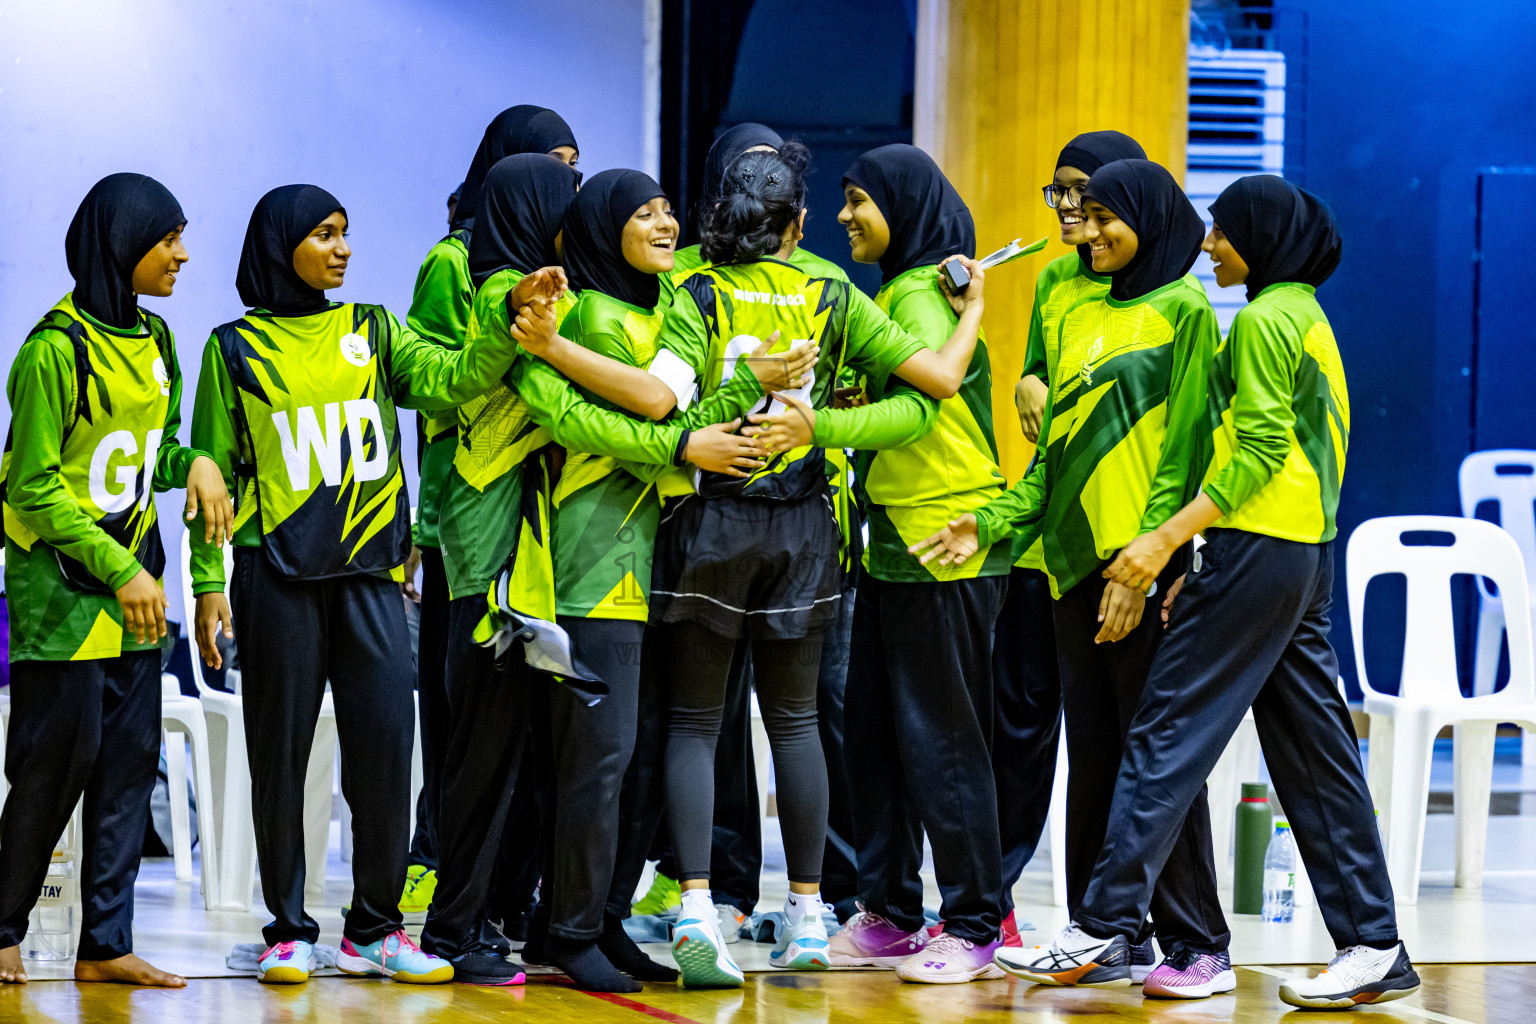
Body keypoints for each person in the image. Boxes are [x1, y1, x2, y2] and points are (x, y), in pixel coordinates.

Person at [560, 143, 985, 988]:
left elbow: (665, 399)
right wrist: (972, 308)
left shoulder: (695, 292)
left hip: (707, 519)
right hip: (804, 529)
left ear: (722, 214)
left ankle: (695, 910)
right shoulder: (832, 293)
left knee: (694, 723)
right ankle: (807, 913)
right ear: (795, 222)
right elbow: (934, 385)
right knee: (794, 723)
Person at [1026, 174, 1420, 1010]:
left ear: (1260, 238)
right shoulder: (1305, 316)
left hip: (1256, 549)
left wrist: (1171, 540)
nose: (1209, 247)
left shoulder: (1262, 323)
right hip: (1307, 555)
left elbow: (1256, 453)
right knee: (1317, 755)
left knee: (1162, 733)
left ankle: (1103, 922)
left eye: (1223, 233)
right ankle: (1374, 943)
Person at [422, 153, 781, 988]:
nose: (666, 224)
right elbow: (595, 418)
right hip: (572, 564)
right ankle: (544, 927)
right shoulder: (559, 311)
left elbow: (677, 403)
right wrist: (686, 441)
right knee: (580, 758)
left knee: (626, 757)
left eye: (669, 209)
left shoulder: (671, 305)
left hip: (654, 556)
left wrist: (736, 392)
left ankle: (584, 920)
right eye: (642, 210)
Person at [188, 183, 561, 986]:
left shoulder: (373, 330)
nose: (342, 248)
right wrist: (206, 583)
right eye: (323, 234)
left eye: (346, 233)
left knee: (387, 754)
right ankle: (288, 928)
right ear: (280, 243)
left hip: (370, 576)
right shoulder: (232, 349)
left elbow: (456, 379)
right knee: (279, 758)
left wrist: (510, 321)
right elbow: (208, 478)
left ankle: (376, 930)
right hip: (274, 574)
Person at [912, 158, 1232, 998]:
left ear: (1150, 218)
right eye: (1079, 216)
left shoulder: (1186, 309)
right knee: (1093, 757)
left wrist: (1148, 556)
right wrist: (991, 520)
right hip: (1069, 568)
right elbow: (1054, 459)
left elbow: (1189, 449)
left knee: (1154, 760)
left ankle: (1201, 945)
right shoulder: (1078, 304)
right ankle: (1115, 934)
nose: (1085, 232)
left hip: (1140, 565)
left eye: (1102, 217)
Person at [0, 173, 229, 988]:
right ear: (120, 241)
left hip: (139, 584)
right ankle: (1, 927)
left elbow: (146, 456)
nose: (182, 253)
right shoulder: (51, 351)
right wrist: (121, 567)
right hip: (65, 588)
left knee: (130, 760)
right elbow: (28, 485)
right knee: (57, 758)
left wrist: (194, 460)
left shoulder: (158, 341)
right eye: (167, 239)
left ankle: (106, 943)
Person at [820, 143, 1011, 985]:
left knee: (943, 744)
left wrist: (812, 427)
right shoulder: (897, 291)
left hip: (948, 541)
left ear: (902, 204)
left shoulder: (922, 292)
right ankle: (891, 911)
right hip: (892, 544)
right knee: (876, 738)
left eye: (859, 199)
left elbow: (923, 399)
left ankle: (973, 922)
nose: (844, 215)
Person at [401, 104, 581, 922]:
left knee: (522, 718)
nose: (569, 184)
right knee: (464, 710)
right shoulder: (456, 262)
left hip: (539, 517)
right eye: (552, 166)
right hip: (465, 512)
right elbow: (438, 388)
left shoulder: (566, 275)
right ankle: (439, 871)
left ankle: (511, 890)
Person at [991, 130, 1146, 951]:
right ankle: (996, 903)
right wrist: (1026, 380)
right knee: (1018, 731)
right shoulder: (1054, 280)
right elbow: (1037, 373)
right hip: (1042, 543)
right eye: (1058, 190)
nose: (1069, 207)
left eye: (1084, 190)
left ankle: (1114, 915)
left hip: (1120, 552)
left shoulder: (1165, 295)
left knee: (1114, 742)